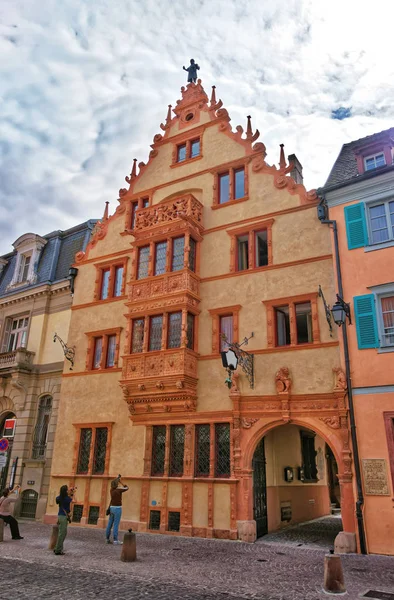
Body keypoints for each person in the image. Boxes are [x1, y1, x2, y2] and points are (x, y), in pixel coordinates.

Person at [105, 476, 128, 545]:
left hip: (112, 508)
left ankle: (107, 539)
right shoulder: (119, 490)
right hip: (118, 508)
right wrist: (121, 482)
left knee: (109, 524)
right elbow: (127, 487)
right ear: (117, 484)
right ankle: (115, 540)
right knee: (116, 524)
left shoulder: (111, 490)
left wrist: (116, 480)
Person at [54, 484, 74, 555]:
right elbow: (75, 500)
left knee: (61, 533)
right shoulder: (66, 498)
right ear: (65, 491)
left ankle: (57, 548)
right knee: (62, 534)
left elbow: (57, 498)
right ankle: (58, 550)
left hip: (60, 516)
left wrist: (67, 492)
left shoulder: (60, 497)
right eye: (67, 489)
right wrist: (72, 493)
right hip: (64, 517)